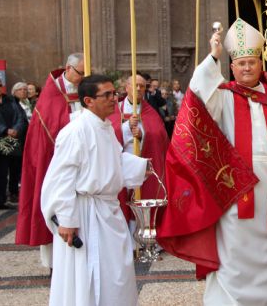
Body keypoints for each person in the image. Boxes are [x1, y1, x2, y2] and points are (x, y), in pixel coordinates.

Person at [157, 18, 267, 305]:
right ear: (231, 67)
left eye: (251, 62)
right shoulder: (223, 96)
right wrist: (213, 56)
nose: (246, 67)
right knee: (234, 255)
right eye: (240, 62)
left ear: (261, 65)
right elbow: (197, 97)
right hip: (237, 193)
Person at [40, 74, 148, 306]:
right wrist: (67, 218)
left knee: (116, 273)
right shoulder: (75, 131)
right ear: (88, 100)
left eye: (114, 93)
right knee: (87, 275)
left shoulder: (105, 127)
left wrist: (143, 166)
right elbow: (61, 178)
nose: (114, 99)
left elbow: (113, 161)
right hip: (85, 214)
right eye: (107, 95)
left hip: (108, 211)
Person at [16, 53, 85, 267]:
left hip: (81, 161)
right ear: (68, 68)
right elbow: (52, 128)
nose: (83, 78)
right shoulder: (51, 94)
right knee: (54, 207)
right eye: (80, 73)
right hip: (53, 160)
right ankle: (54, 264)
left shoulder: (83, 89)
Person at [109, 75, 169, 223]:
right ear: (126, 87)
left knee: (142, 197)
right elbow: (107, 134)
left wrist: (143, 136)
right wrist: (126, 127)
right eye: (135, 85)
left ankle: (143, 233)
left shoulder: (150, 112)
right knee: (123, 199)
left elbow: (160, 137)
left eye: (142, 86)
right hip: (121, 160)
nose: (138, 89)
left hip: (143, 160)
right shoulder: (115, 109)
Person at [0, 79, 26, 209]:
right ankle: (0, 199)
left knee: (12, 169)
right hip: (0, 140)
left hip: (13, 140)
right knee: (0, 172)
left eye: (0, 85)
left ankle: (9, 196)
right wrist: (5, 130)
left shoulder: (10, 100)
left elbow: (21, 116)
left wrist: (16, 129)